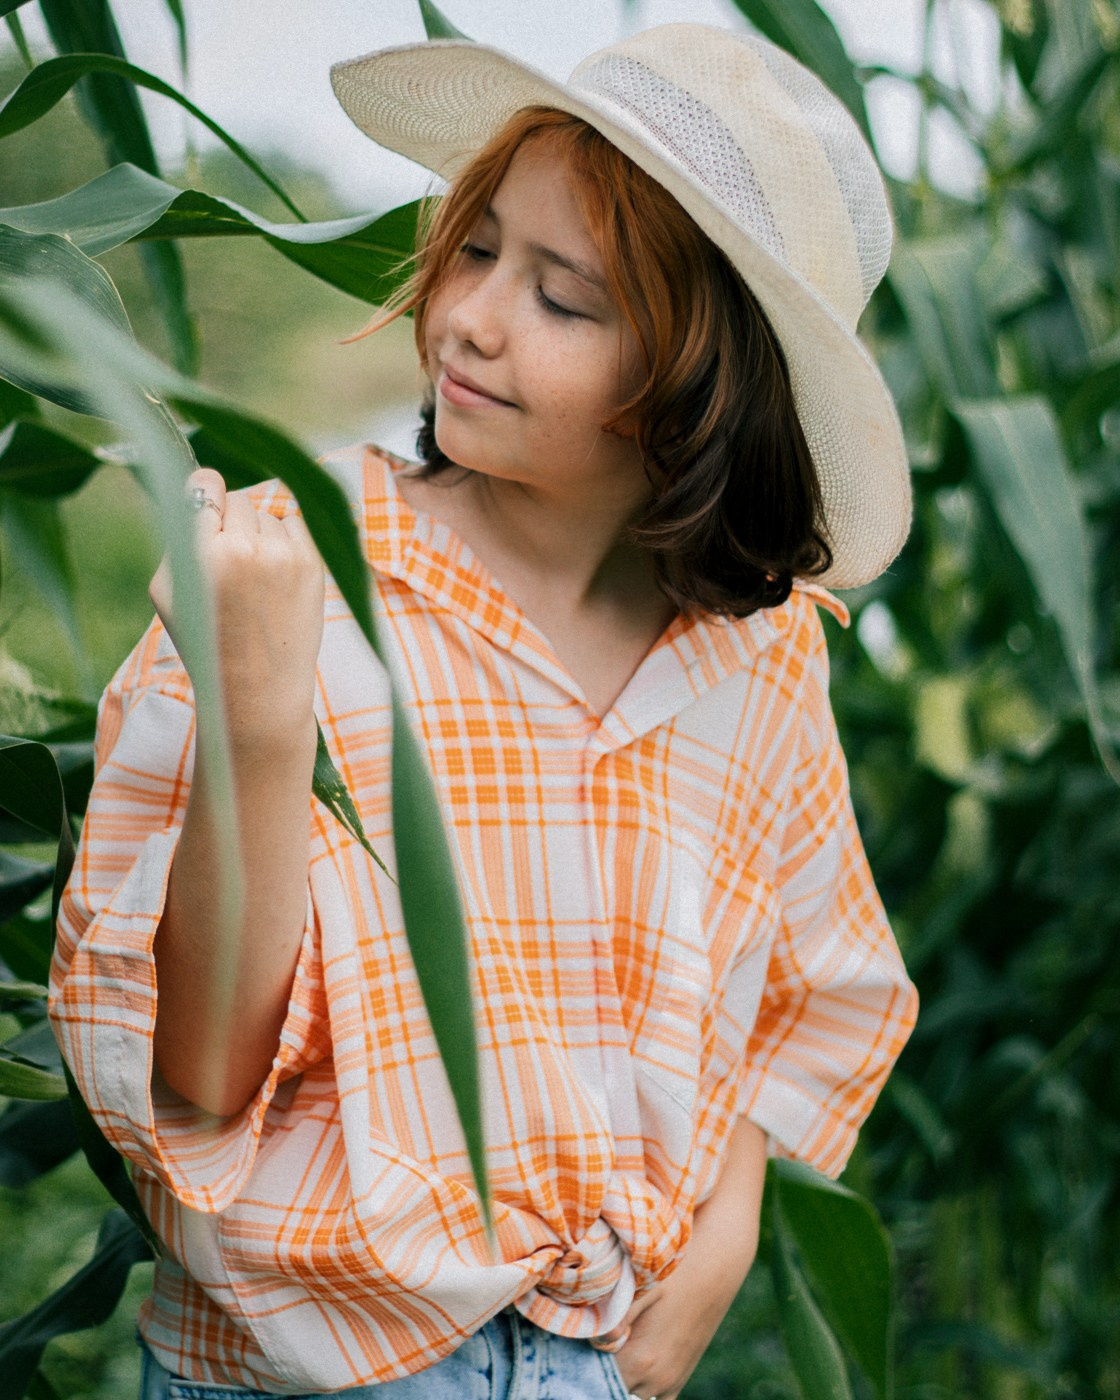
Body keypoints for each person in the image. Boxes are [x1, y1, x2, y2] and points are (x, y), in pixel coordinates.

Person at [50, 22, 918, 1400]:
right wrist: (259, 718)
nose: (469, 318)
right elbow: (201, 1076)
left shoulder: (760, 663)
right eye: (476, 248)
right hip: (302, 1375)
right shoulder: (290, 571)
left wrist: (734, 1218)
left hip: (596, 1368)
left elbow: (799, 987)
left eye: (564, 300)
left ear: (705, 388)